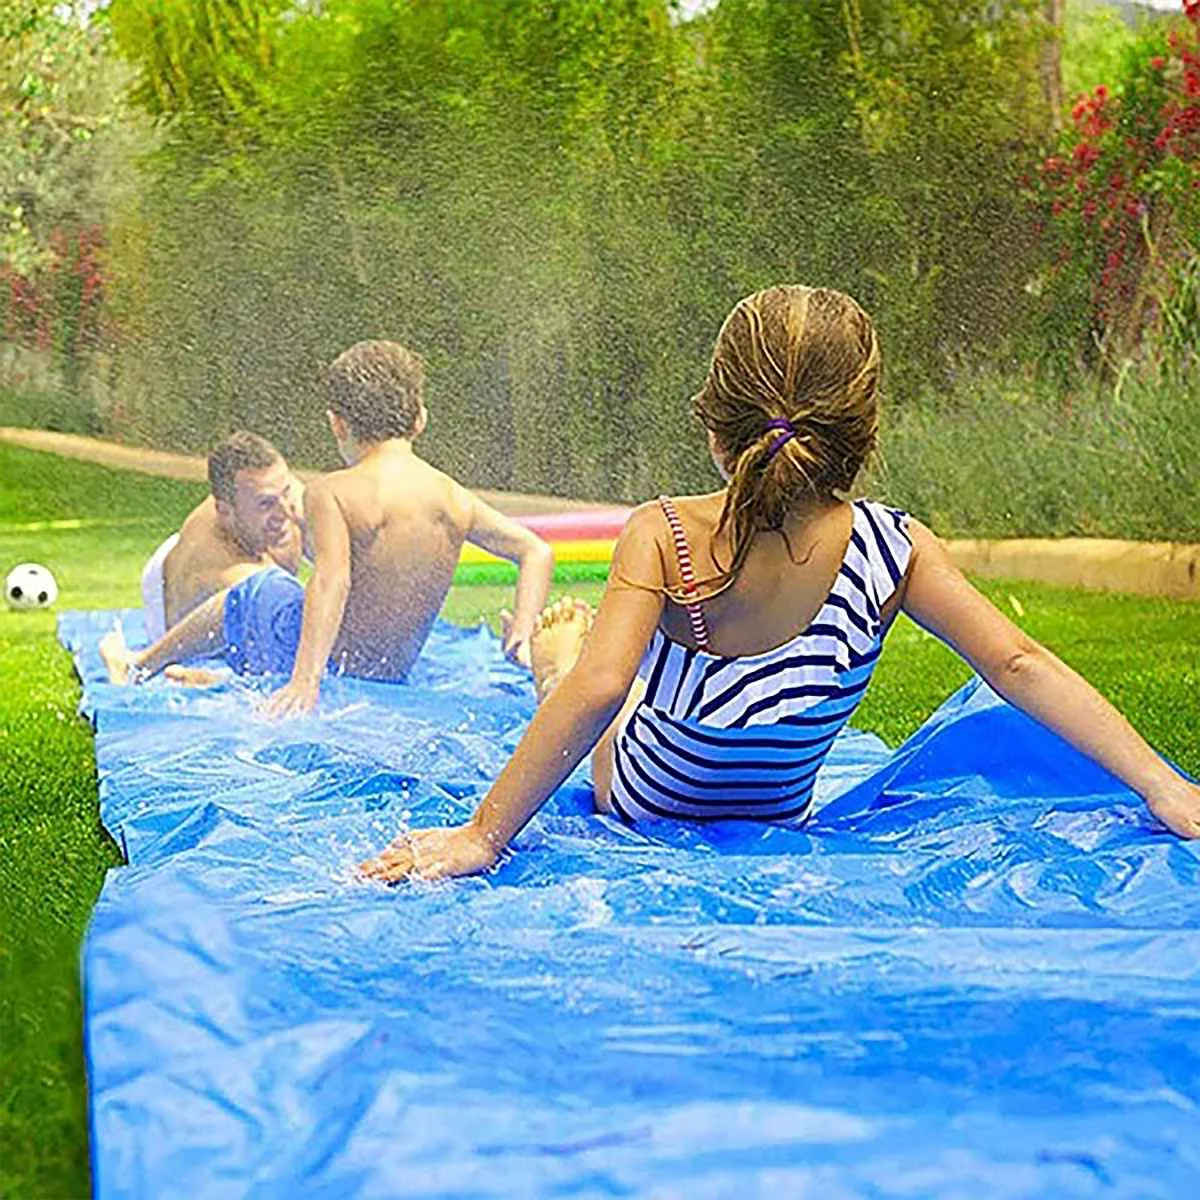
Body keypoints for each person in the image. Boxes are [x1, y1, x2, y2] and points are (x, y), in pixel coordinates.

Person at [360, 284, 1200, 883]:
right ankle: (562, 654)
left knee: (597, 684)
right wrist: (1164, 786)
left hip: (643, 795)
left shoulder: (663, 534)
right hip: (778, 807)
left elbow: (600, 689)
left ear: (715, 426)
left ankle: (555, 653)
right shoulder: (893, 548)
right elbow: (1016, 663)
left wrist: (484, 834)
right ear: (862, 431)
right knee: (610, 688)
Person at [103, 340, 555, 712]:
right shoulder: (452, 497)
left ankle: (141, 664)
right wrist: (521, 633)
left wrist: (306, 681)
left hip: (325, 664)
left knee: (256, 591)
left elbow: (332, 582)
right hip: (390, 672)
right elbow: (536, 550)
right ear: (420, 418)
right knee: (274, 592)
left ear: (338, 424)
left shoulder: (332, 492)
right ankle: (205, 676)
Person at [139, 431, 304, 641]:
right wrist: (145, 658)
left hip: (234, 538)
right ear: (225, 511)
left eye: (286, 492)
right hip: (175, 598)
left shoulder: (269, 487)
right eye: (266, 504)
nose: (286, 512)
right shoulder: (228, 574)